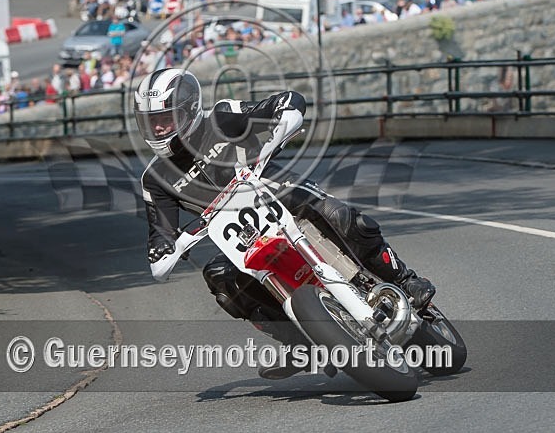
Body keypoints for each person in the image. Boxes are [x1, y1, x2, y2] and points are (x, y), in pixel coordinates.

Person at [134, 68, 437, 379]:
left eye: (166, 117)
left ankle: (404, 280)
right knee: (219, 277)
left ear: (190, 109)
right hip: (244, 237)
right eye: (150, 121)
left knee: (341, 216)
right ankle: (299, 342)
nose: (158, 127)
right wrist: (168, 249)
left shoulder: (222, 116)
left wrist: (283, 120)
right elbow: (160, 240)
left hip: (280, 193)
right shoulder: (155, 180)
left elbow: (285, 102)